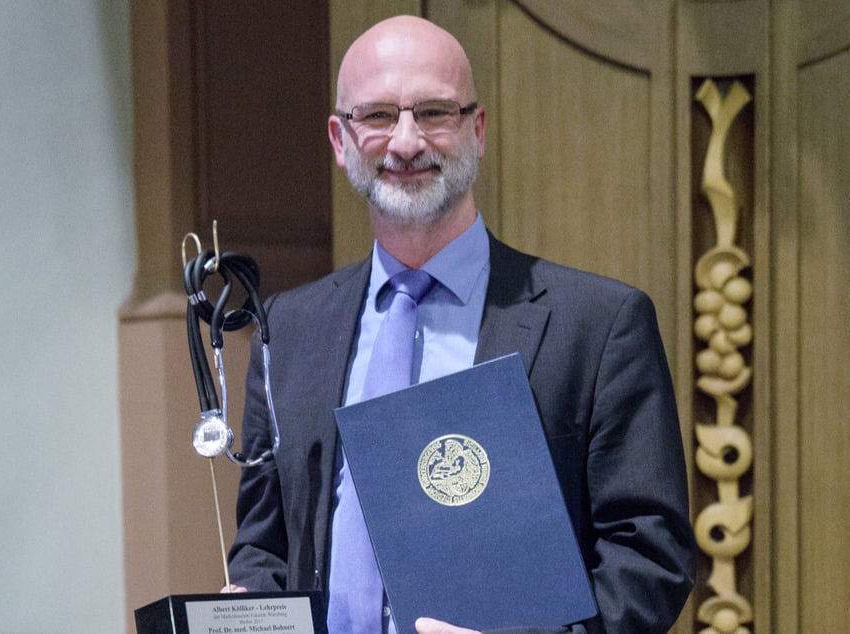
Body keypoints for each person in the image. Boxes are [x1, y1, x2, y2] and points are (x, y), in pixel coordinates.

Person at [226, 14, 696, 634]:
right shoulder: (287, 329)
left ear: (477, 130)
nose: (405, 143)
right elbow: (264, 544)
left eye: (433, 112)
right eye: (377, 117)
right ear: (340, 141)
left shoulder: (600, 326)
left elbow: (650, 557)